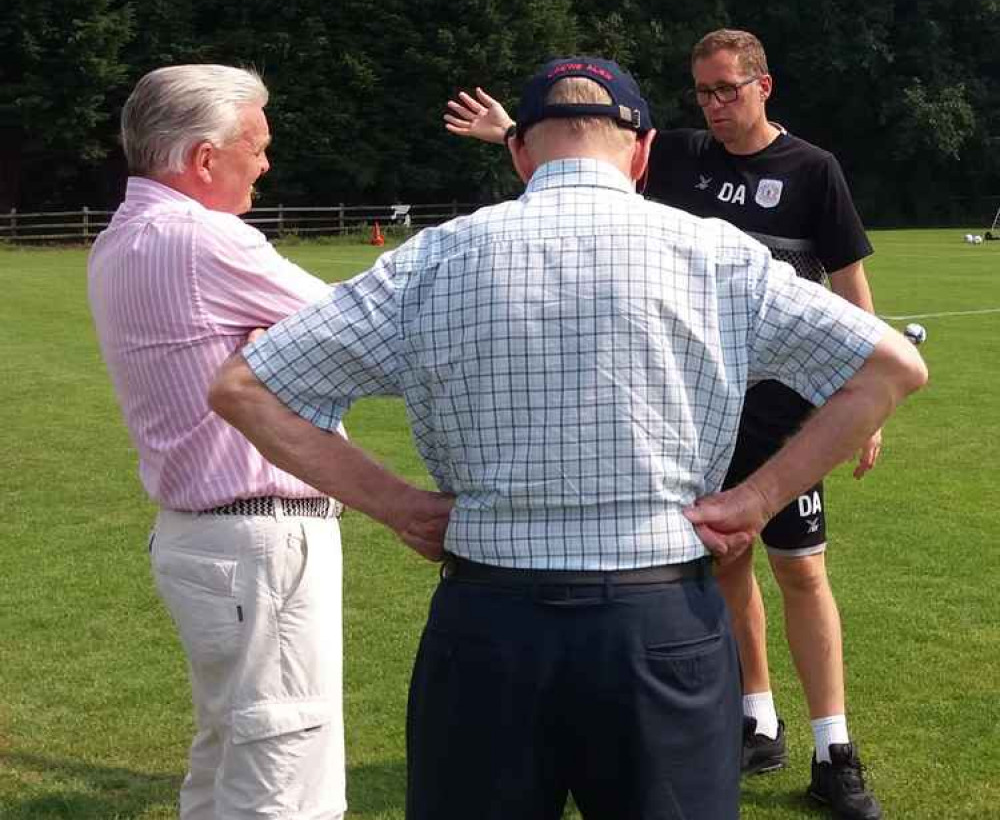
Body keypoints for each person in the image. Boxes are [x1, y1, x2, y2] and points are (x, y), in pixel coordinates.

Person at [208, 57, 926, 820]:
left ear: (518, 151)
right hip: (661, 623)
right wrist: (756, 500)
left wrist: (399, 505)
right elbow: (892, 366)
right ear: (643, 151)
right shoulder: (717, 255)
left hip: (488, 620)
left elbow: (246, 388)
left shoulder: (432, 259)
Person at [442, 30, 888, 820]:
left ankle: (834, 746)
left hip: (784, 420)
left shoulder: (812, 170)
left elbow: (851, 285)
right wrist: (513, 131)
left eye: (728, 90)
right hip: (691, 408)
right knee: (723, 566)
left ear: (764, 85)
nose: (715, 106)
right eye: (703, 92)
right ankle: (757, 718)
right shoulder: (677, 156)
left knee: (802, 571)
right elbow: (588, 164)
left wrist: (862, 401)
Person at [88, 64, 451, 820]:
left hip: (208, 541)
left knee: (228, 759)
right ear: (204, 159)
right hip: (258, 543)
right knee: (284, 781)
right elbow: (367, 333)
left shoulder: (127, 235)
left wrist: (278, 343)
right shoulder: (202, 240)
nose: (266, 161)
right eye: (255, 144)